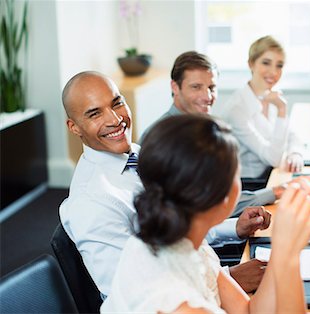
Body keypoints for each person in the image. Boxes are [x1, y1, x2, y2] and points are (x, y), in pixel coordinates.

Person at [59, 71, 273, 297]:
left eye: (117, 103)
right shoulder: (92, 202)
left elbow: (175, 231)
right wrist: (227, 279)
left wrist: (233, 228)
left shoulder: (138, 155)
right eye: (95, 114)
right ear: (74, 127)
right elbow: (131, 293)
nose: (114, 119)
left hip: (196, 273)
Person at [101, 114, 310, 313]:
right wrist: (289, 256)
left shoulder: (182, 241)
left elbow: (248, 311)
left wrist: (281, 252)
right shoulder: (176, 302)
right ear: (219, 196)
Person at [140, 50, 310, 206]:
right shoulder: (161, 138)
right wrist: (275, 192)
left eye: (212, 87)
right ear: (175, 86)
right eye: (196, 87)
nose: (207, 96)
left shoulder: (205, 126)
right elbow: (212, 205)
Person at [216, 36, 304, 190]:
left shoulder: (271, 95)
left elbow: (292, 135)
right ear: (251, 64)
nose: (273, 72)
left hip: (270, 175)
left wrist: (295, 153)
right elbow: (274, 158)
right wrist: (282, 111)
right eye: (266, 63)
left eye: (279, 65)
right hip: (248, 186)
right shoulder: (238, 109)